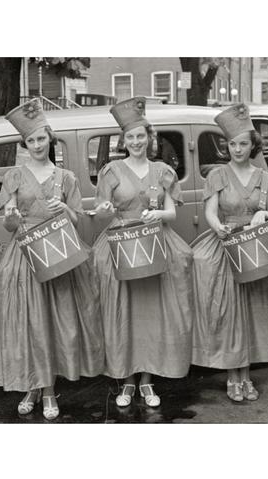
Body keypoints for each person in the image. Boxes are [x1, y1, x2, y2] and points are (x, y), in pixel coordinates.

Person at [0, 98, 103, 420]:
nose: (37, 145)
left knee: (53, 323)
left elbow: (79, 220)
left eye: (42, 138)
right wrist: (12, 214)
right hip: (26, 254)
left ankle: (50, 389)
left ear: (49, 139)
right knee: (30, 323)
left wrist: (64, 210)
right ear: (24, 144)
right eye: (31, 140)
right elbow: (8, 225)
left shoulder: (66, 178)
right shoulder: (14, 176)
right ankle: (32, 385)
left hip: (59, 253)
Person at [191, 103, 268, 402]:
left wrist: (262, 216)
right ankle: (232, 375)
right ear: (226, 146)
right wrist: (218, 228)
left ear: (252, 145)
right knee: (229, 314)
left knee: (253, 313)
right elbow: (210, 212)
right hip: (226, 247)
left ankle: (246, 375)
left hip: (255, 246)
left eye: (242, 144)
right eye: (231, 144)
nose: (236, 150)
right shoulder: (217, 175)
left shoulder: (265, 179)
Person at [92, 97, 194, 408]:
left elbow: (172, 212)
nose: (136, 142)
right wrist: (106, 210)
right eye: (130, 137)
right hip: (120, 246)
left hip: (155, 244)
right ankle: (126, 381)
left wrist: (158, 216)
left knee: (151, 315)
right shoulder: (111, 171)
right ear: (123, 140)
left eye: (141, 136)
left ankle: (148, 380)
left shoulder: (162, 171)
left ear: (150, 138)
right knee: (124, 314)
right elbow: (100, 212)